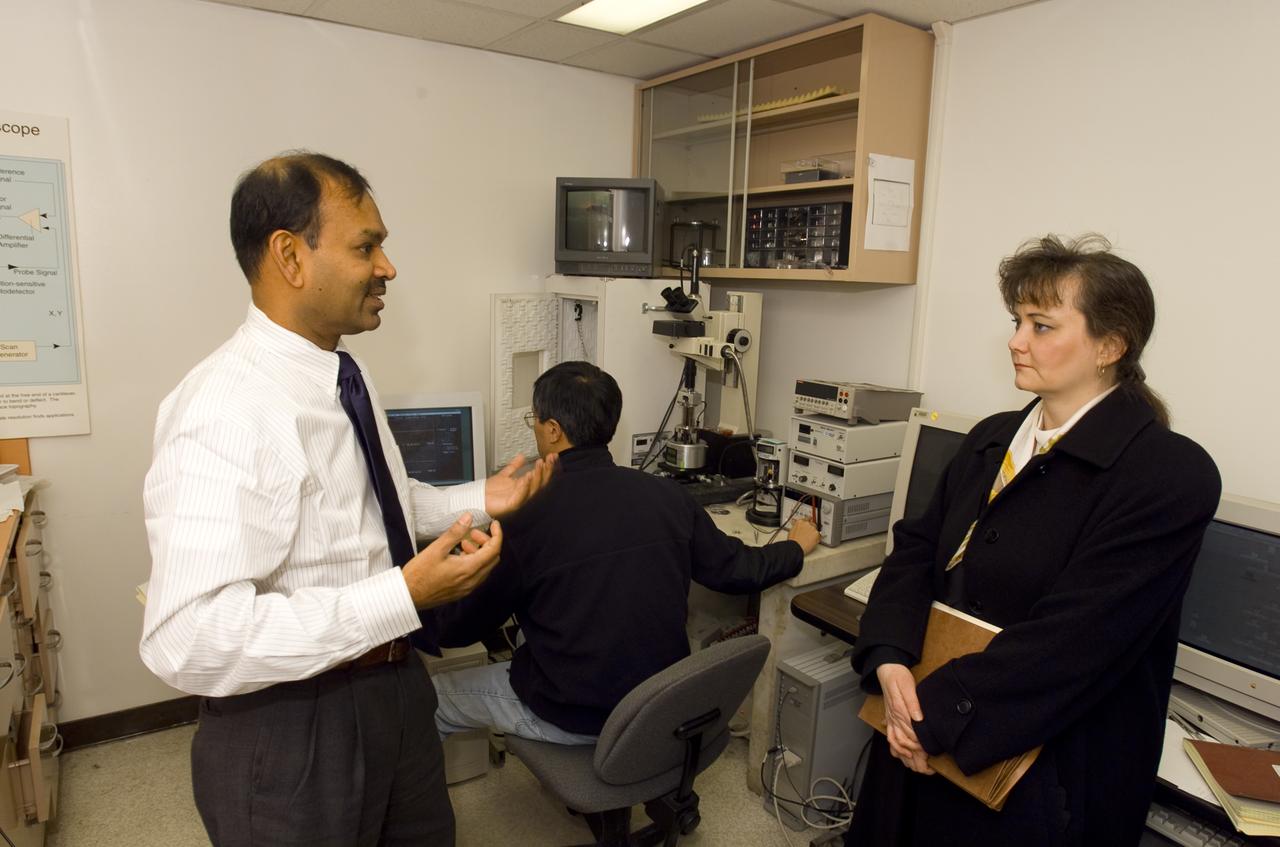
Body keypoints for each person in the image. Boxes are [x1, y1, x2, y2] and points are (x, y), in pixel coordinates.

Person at [139, 151, 554, 847]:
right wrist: (401, 594)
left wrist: (485, 495)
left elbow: (376, 506)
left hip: (392, 688)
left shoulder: (341, 375)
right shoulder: (224, 407)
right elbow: (186, 637)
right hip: (294, 723)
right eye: (367, 245)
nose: (388, 267)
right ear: (290, 256)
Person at [845, 234, 1220, 846]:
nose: (1017, 341)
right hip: (919, 716)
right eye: (1017, 321)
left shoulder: (1169, 475)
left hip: (1041, 771)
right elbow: (915, 550)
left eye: (1042, 325)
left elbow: (1077, 638)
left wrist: (928, 716)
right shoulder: (992, 437)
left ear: (1111, 345)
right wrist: (888, 660)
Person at [430, 360, 821, 744]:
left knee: (430, 699)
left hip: (577, 716)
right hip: (657, 706)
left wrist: (411, 600)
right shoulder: (668, 496)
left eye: (534, 418)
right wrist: (795, 547)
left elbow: (463, 630)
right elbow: (739, 570)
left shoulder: (524, 515)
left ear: (552, 430)